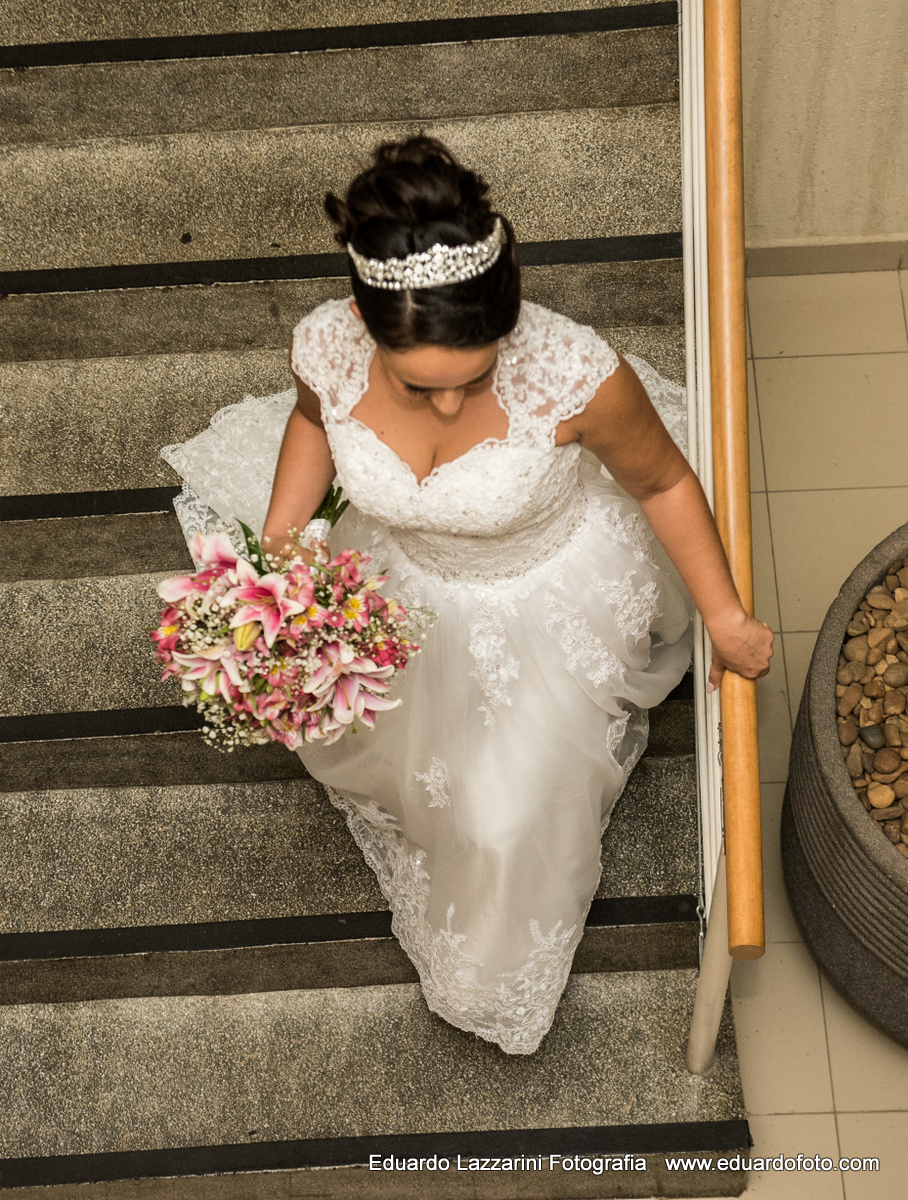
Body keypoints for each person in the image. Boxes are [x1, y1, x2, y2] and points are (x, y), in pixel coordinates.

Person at [162, 135, 773, 1055]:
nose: (448, 408)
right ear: (366, 327)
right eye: (419, 386)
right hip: (399, 578)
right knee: (383, 740)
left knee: (503, 820)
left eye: (475, 379)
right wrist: (285, 544)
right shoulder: (325, 346)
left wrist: (724, 617)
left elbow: (663, 483)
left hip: (543, 590)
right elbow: (311, 423)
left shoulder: (577, 374)